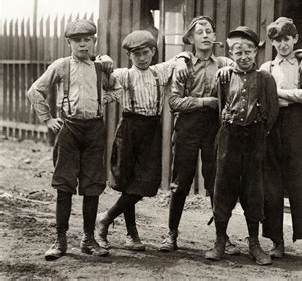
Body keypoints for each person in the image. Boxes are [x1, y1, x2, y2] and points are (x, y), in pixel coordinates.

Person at [27, 19, 122, 260]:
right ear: (69, 43)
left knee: (92, 187)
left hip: (94, 131)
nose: (82, 44)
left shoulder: (101, 67)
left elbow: (117, 90)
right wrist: (47, 119)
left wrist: (102, 100)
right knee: (64, 185)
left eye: (87, 39)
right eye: (77, 40)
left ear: (94, 41)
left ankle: (88, 240)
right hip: (68, 129)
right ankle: (60, 241)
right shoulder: (61, 66)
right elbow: (35, 90)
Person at [95, 30, 189, 251]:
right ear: (129, 56)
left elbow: (181, 57)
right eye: (135, 54)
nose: (141, 58)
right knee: (128, 182)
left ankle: (105, 218)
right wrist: (104, 60)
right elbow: (104, 77)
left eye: (145, 53)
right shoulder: (123, 75)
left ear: (153, 52)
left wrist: (183, 61)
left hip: (151, 131)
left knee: (145, 182)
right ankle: (131, 234)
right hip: (129, 129)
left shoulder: (160, 72)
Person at [159, 16, 239, 255]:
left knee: (216, 181)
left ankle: (221, 237)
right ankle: (172, 234)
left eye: (209, 31)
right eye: (200, 32)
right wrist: (205, 101)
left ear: (215, 37)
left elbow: (243, 69)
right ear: (191, 39)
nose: (205, 35)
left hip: (214, 128)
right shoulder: (182, 64)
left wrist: (229, 69)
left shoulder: (224, 63)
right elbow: (173, 102)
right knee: (181, 182)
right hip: (187, 126)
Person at [205, 26, 279, 265]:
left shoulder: (265, 78)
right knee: (223, 188)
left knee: (253, 190)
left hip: (255, 138)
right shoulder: (224, 77)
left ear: (256, 52)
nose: (244, 56)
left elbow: (273, 112)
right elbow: (220, 109)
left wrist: (258, 130)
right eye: (238, 52)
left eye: (248, 51)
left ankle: (254, 243)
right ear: (231, 53)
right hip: (229, 136)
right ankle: (219, 241)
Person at [260, 17, 302, 260]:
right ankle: (276, 241)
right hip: (271, 126)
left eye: (287, 39)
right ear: (272, 42)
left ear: (295, 39)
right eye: (277, 40)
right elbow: (261, 97)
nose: (282, 44)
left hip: (297, 125)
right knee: (272, 184)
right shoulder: (266, 68)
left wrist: (279, 94)